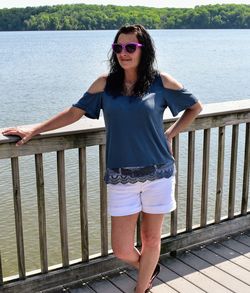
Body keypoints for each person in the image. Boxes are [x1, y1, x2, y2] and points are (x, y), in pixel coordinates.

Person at [2, 24, 202, 293]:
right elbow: (74, 113)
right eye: (118, 47)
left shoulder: (161, 82)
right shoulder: (105, 84)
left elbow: (194, 108)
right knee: (120, 248)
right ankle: (149, 268)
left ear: (144, 50)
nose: (124, 52)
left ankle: (141, 288)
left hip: (159, 172)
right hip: (121, 176)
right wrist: (35, 129)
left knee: (151, 239)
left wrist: (171, 133)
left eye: (131, 47)